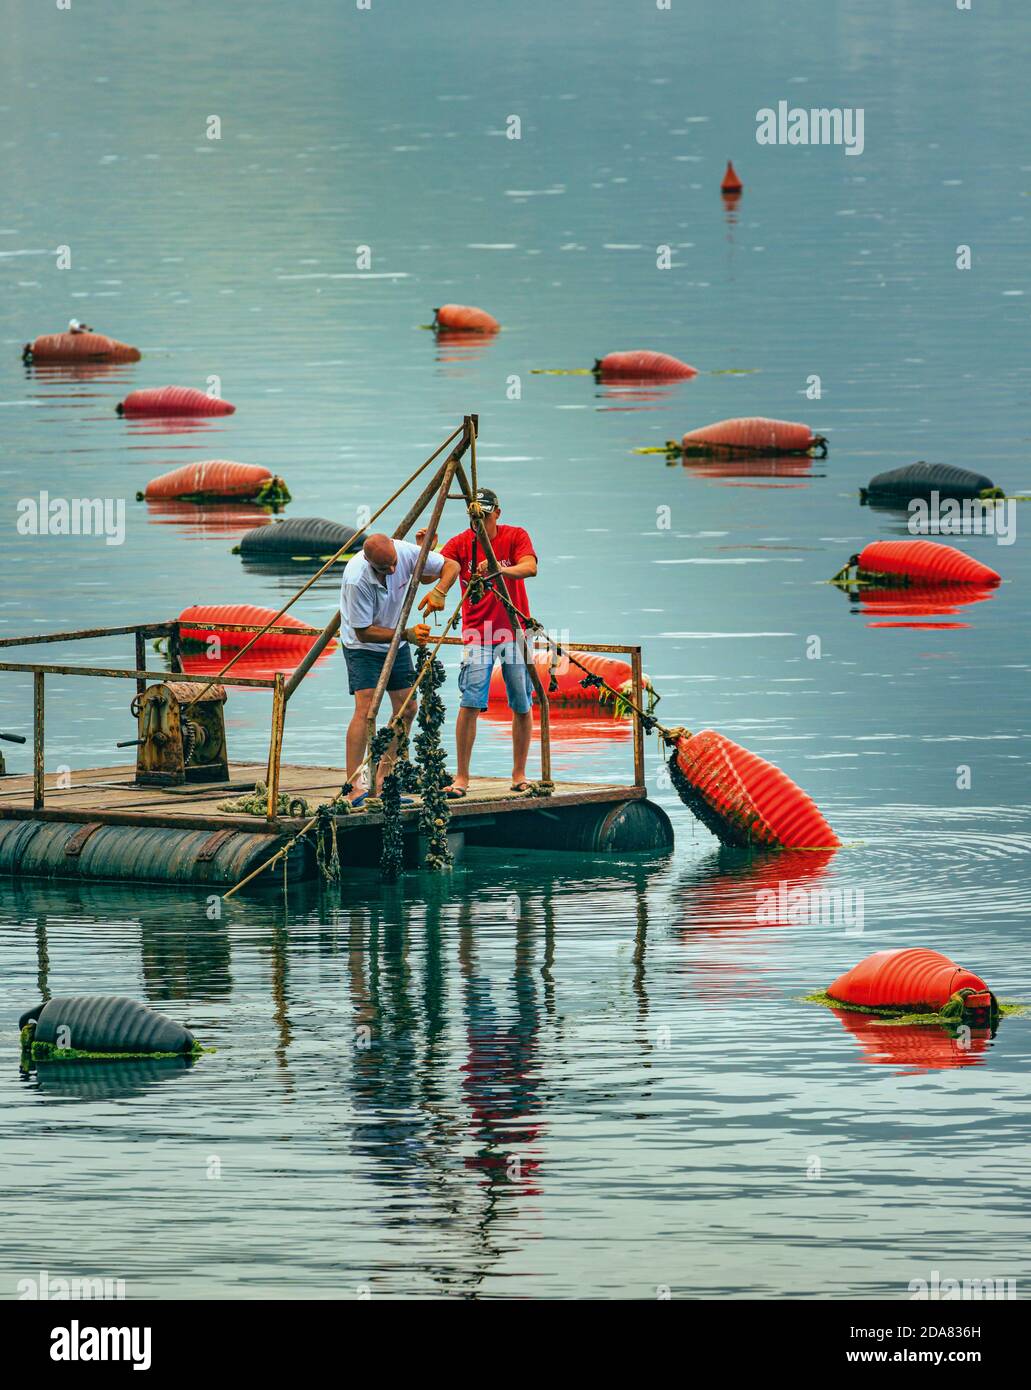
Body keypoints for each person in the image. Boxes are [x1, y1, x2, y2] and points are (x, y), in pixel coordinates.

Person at [339, 533, 460, 806]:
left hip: (398, 640)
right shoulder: (357, 579)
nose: (392, 571)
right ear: (370, 563)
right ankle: (355, 786)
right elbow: (363, 632)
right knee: (367, 709)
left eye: (393, 564)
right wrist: (406, 634)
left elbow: (451, 566)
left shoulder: (405, 552)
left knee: (408, 708)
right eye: (384, 569)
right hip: (364, 647)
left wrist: (439, 591)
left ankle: (383, 782)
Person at [434, 488, 539, 797]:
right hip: (478, 632)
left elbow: (530, 567)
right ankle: (462, 777)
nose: (478, 523)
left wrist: (499, 570)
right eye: (473, 518)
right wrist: (423, 549)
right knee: (470, 701)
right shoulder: (460, 544)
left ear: (497, 513)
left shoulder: (515, 535)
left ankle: (519, 773)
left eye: (484, 516)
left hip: (515, 629)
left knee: (521, 701)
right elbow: (438, 571)